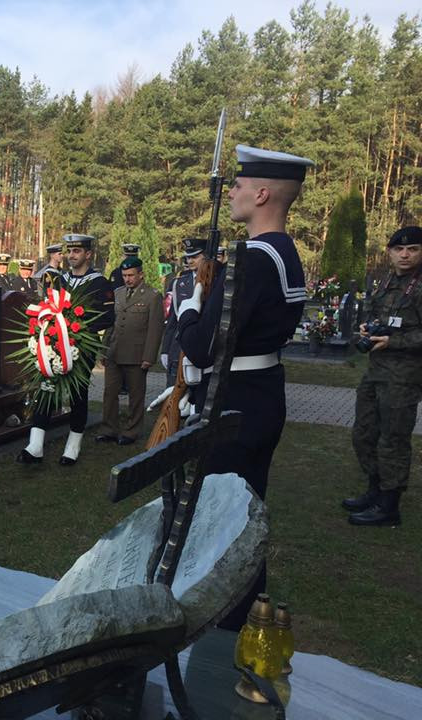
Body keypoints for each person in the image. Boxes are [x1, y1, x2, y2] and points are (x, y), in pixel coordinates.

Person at [176, 144, 313, 629]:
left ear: (260, 193)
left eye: (237, 186)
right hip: (260, 392)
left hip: (234, 404)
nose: (229, 192)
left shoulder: (254, 257)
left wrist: (188, 305)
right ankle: (245, 612)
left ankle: (229, 623)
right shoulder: (285, 250)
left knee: (224, 523)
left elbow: (200, 346)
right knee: (244, 512)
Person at [345, 226, 422, 526]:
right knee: (364, 434)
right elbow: (377, 315)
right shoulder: (387, 280)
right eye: (399, 249)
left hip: (404, 375)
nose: (405, 255)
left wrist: (395, 341)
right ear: (389, 252)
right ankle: (374, 491)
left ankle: (389, 506)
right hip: (376, 371)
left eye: (413, 249)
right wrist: (368, 328)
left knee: (393, 439)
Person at [17, 234, 115, 465]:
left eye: (77, 251)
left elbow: (108, 317)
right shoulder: (60, 280)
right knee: (46, 387)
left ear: (88, 254)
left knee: (78, 394)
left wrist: (77, 328)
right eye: (69, 251)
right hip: (53, 344)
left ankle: (73, 445)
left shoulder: (99, 282)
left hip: (82, 347)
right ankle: (35, 445)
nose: (71, 256)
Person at [96, 256, 164, 445]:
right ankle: (108, 429)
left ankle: (131, 431)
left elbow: (155, 330)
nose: (127, 279)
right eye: (125, 275)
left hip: (137, 355)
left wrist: (149, 357)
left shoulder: (152, 296)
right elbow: (110, 325)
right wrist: (103, 350)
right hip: (114, 352)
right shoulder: (117, 293)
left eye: (131, 275)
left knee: (135, 395)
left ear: (140, 274)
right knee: (110, 393)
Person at [160, 238, 206, 387]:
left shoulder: (216, 281)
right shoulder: (178, 283)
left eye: (195, 256)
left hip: (203, 347)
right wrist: (165, 349)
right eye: (188, 257)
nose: (190, 260)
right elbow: (172, 320)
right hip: (178, 347)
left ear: (205, 256)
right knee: (174, 391)